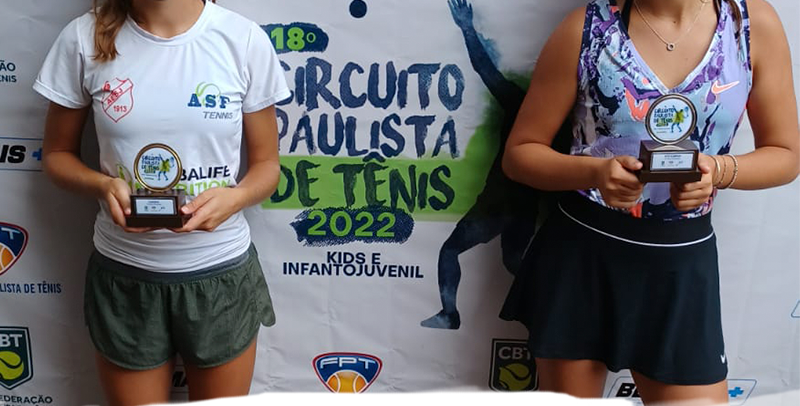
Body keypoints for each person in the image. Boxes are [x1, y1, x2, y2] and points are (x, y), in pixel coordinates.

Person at [499, 0, 799, 404]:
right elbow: (520, 154)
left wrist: (717, 170)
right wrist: (594, 173)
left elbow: (785, 154)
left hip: (681, 266)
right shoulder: (587, 29)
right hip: (583, 259)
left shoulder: (748, 25)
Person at [34, 0, 289, 404]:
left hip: (220, 274)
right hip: (125, 277)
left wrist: (236, 198)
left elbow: (267, 166)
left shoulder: (242, 40)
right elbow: (56, 155)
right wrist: (103, 186)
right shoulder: (84, 38)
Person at [420, 0, 542, 330]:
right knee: (513, 261)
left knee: (451, 251)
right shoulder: (553, 113)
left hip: (499, 202)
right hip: (525, 204)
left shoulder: (520, 103)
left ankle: (450, 314)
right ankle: (544, 312)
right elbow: (485, 70)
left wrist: (467, 28)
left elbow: (484, 69)